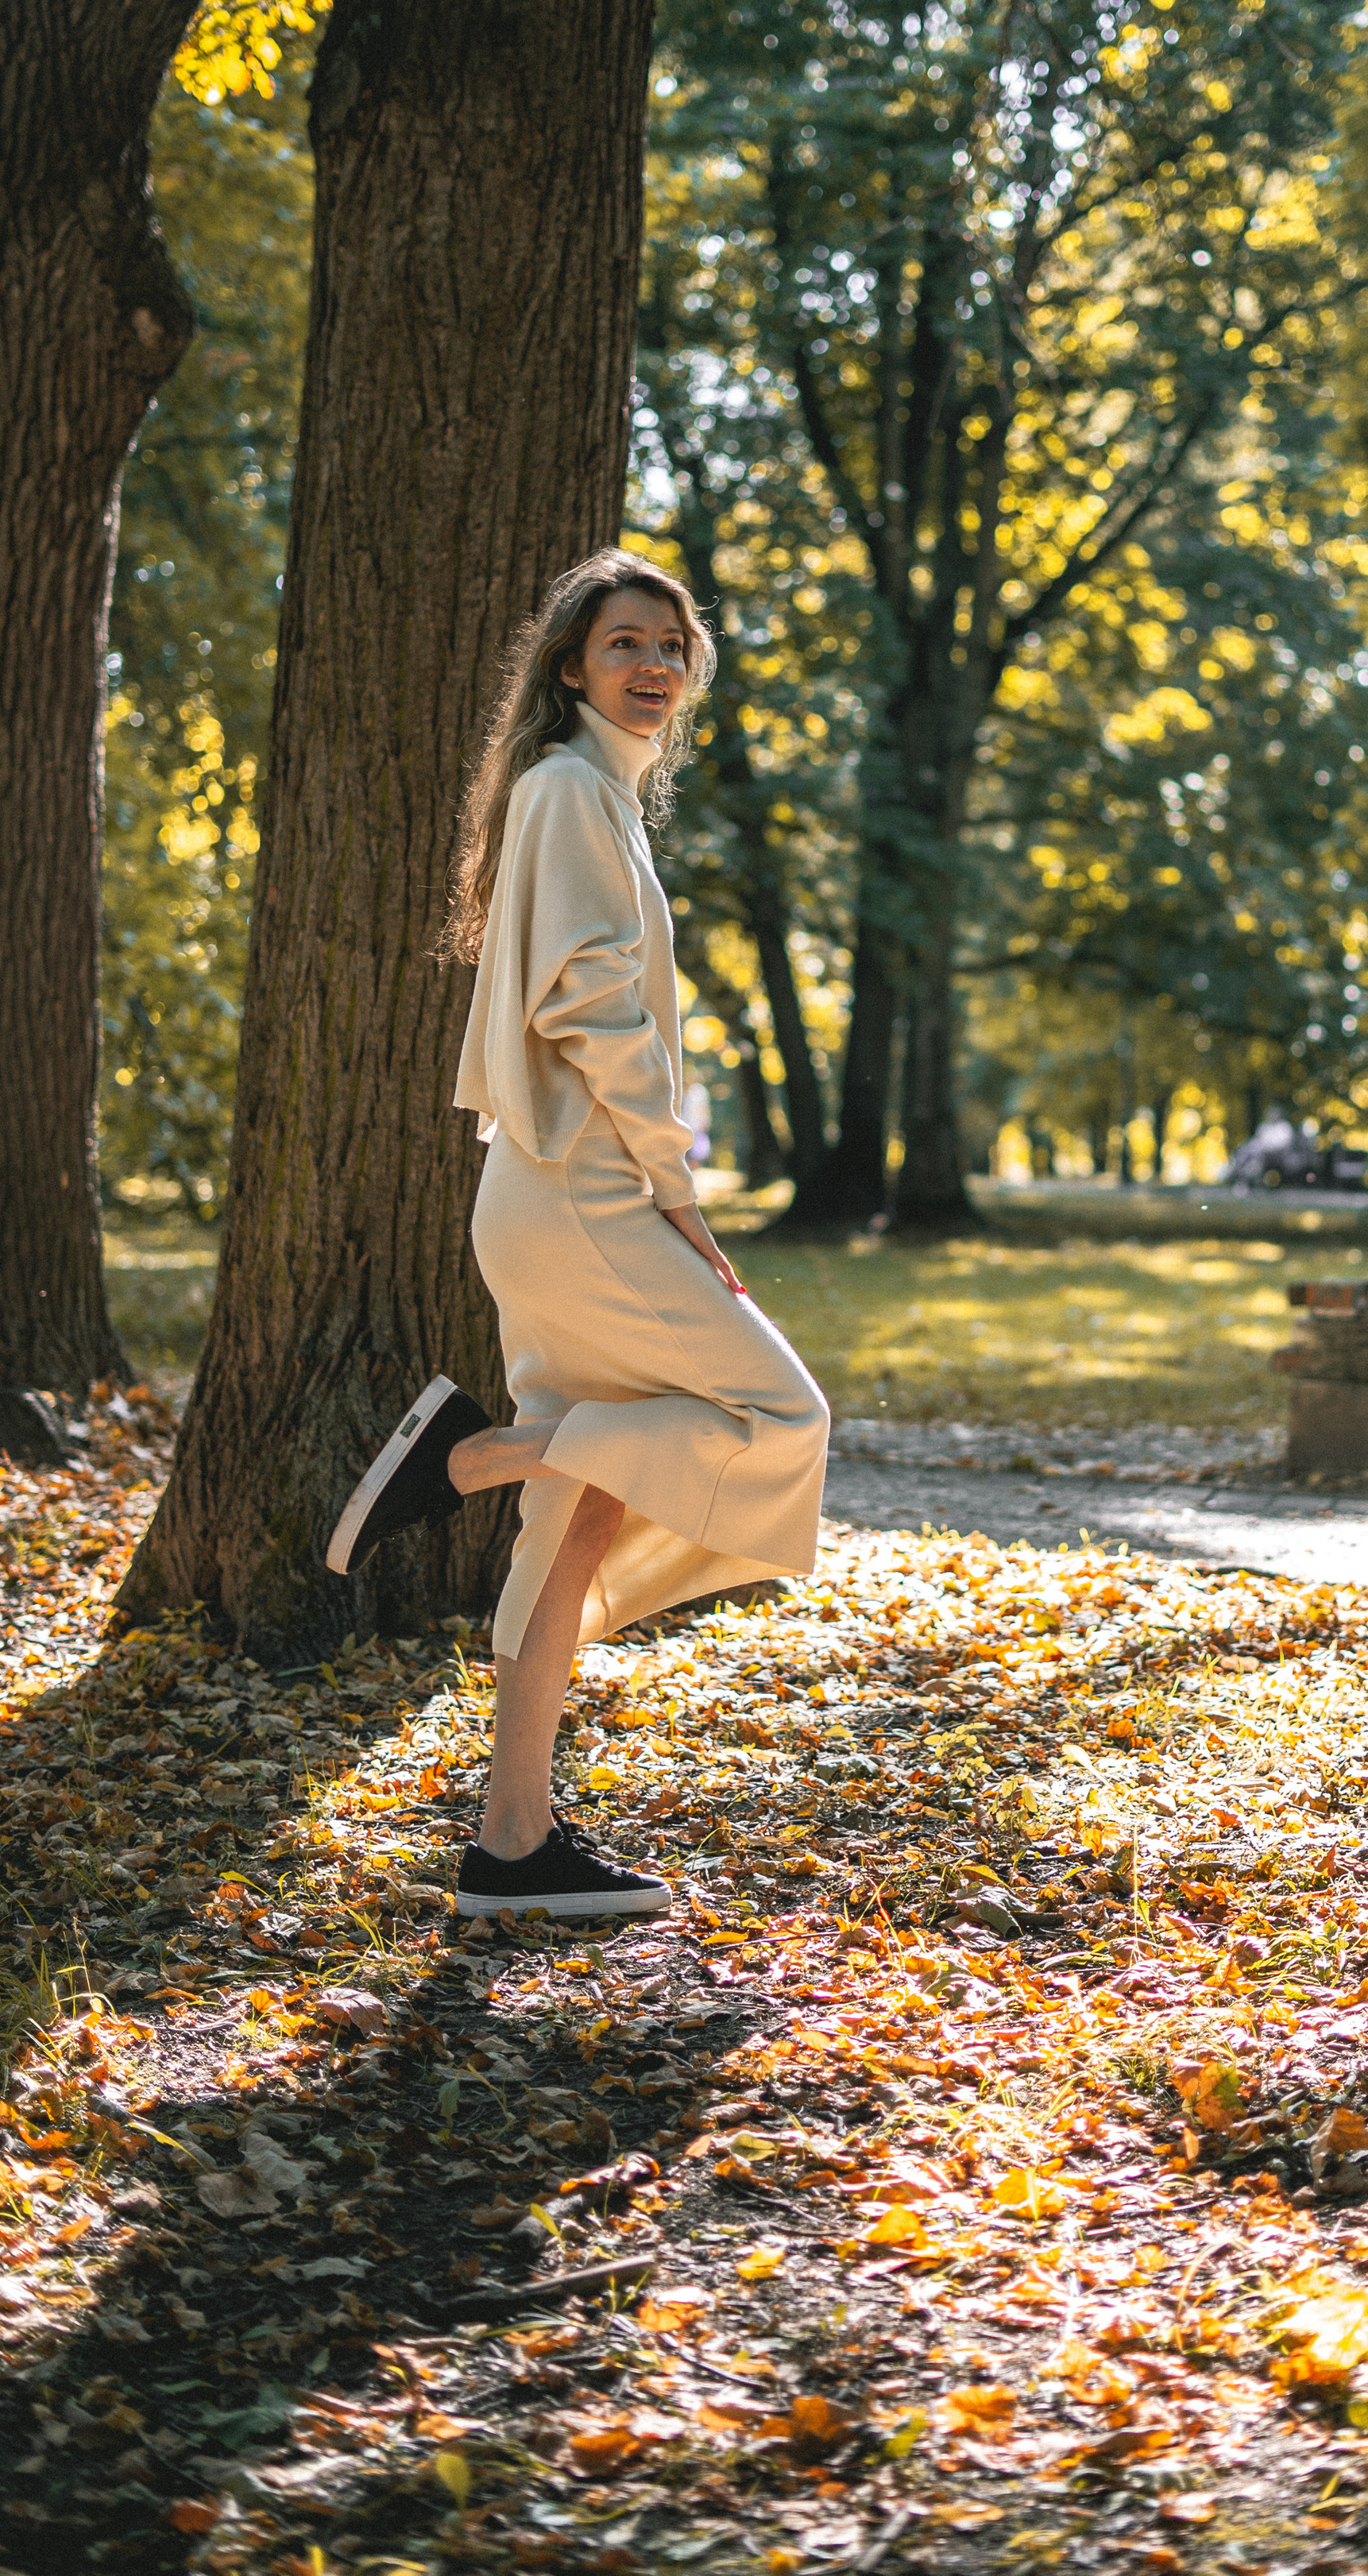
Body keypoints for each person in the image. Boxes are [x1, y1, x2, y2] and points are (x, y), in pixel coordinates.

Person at [324, 551, 830, 1923]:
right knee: (780, 1417)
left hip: (559, 1190)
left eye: (674, 644)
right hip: (588, 1194)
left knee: (584, 1515)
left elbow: (604, 1001)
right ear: (570, 667)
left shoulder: (596, 799)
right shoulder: (566, 793)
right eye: (624, 643)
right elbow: (593, 1009)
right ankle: (474, 1454)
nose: (654, 664)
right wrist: (675, 1183)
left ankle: (511, 1840)